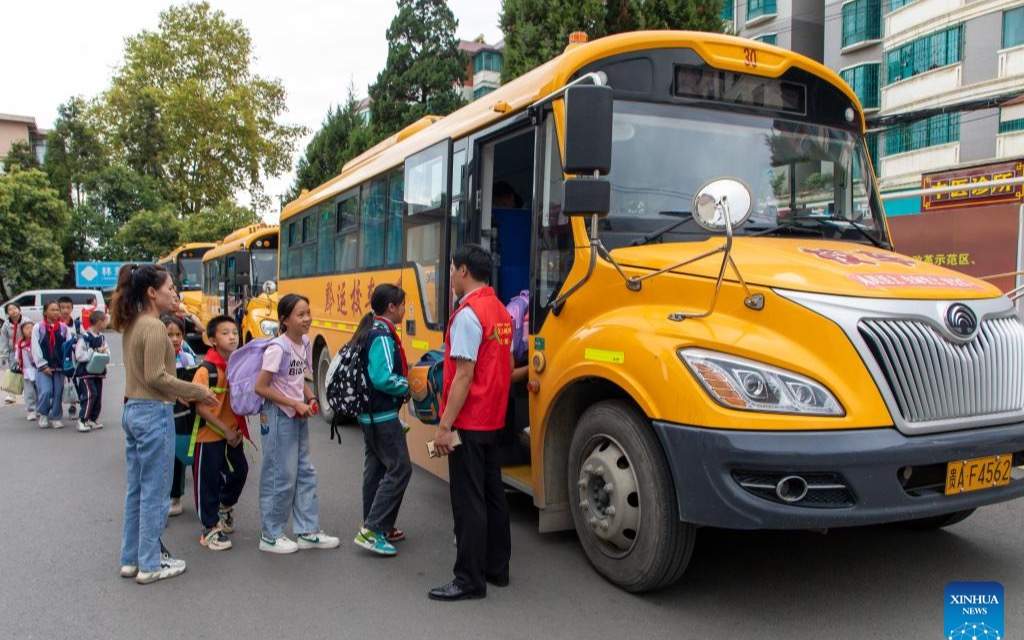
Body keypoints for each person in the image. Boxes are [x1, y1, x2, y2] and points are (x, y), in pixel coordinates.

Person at [112, 263, 217, 585]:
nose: (174, 292)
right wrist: (197, 390)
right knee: (156, 493)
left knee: (137, 491)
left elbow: (147, 376)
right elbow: (157, 377)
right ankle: (150, 563)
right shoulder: (155, 327)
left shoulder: (132, 323)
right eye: (170, 287)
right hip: (153, 413)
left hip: (133, 411)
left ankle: (131, 559)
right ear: (151, 292)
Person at [429, 244, 513, 602]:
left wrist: (445, 425)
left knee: (468, 502)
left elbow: (463, 375)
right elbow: (504, 367)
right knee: (494, 496)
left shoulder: (468, 314)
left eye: (451, 269)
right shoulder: (500, 311)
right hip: (494, 418)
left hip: (469, 419)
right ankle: (497, 569)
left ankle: (468, 579)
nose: (449, 276)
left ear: (463, 271)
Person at [254, 293, 340, 554]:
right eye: (300, 314)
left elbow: (295, 378)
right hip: (279, 417)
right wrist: (294, 404)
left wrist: (311, 396)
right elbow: (261, 387)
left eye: (308, 312)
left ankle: (307, 531)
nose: (307, 319)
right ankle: (270, 535)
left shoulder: (303, 342)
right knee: (280, 474)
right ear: (284, 320)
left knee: (304, 472)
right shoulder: (277, 348)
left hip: (296, 415)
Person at [352, 284, 412, 557]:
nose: (404, 310)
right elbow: (382, 377)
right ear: (391, 307)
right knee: (400, 469)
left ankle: (375, 524)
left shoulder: (370, 329)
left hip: (370, 414)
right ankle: (373, 529)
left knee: (376, 470)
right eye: (402, 305)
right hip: (382, 414)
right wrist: (408, 386)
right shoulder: (383, 335)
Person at [192, 315, 249, 551]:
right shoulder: (206, 371)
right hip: (210, 436)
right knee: (208, 482)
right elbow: (200, 407)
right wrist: (225, 430)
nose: (232, 336)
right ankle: (209, 528)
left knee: (240, 471)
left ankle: (224, 507)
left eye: (234, 332)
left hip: (232, 434)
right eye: (225, 333)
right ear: (212, 340)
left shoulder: (238, 365)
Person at [163, 314, 196, 517]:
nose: (175, 339)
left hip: (186, 415)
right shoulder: (155, 359)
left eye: (178, 334)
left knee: (184, 453)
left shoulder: (187, 358)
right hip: (163, 414)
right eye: (169, 335)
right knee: (168, 457)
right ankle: (169, 496)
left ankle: (181, 496)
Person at [32, 301, 68, 429]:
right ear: (45, 312)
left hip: (59, 366)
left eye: (57, 310)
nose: (56, 312)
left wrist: (68, 364)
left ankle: (56, 417)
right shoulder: (38, 327)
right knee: (46, 392)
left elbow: (68, 347)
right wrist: (42, 365)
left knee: (58, 392)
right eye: (52, 310)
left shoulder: (64, 328)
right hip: (44, 367)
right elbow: (35, 347)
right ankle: (43, 413)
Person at [73, 310, 110, 432]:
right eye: (105, 321)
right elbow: (79, 355)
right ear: (99, 322)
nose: (106, 324)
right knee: (90, 395)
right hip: (86, 372)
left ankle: (92, 419)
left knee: (98, 396)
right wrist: (94, 352)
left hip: (98, 371)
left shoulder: (102, 337)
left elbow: (107, 352)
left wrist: (104, 352)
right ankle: (82, 420)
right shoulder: (85, 338)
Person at [58, 296, 81, 417]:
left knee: (73, 382)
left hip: (72, 359)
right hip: (57, 359)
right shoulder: (54, 324)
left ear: (72, 308)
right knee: (58, 384)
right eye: (62, 307)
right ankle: (56, 409)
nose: (65, 310)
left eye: (68, 307)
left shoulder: (77, 325)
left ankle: (73, 405)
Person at [1, 302, 23, 404]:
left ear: (19, 309)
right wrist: (4, 353)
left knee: (24, 372)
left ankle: (27, 392)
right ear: (7, 313)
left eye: (15, 308)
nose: (13, 311)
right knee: (12, 371)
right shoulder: (6, 324)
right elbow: (4, 340)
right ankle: (11, 395)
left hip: (24, 350)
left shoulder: (26, 321)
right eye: (10, 309)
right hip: (12, 351)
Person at [17, 322, 37, 422]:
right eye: (26, 328)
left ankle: (40, 408)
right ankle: (31, 410)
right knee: (29, 392)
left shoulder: (37, 341)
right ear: (22, 331)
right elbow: (17, 356)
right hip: (27, 372)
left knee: (39, 391)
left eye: (31, 328)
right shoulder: (21, 344)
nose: (29, 330)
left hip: (38, 370)